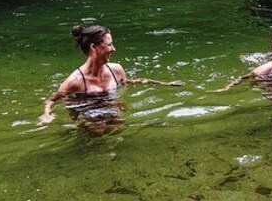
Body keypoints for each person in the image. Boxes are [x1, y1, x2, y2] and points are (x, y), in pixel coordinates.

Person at [38, 24, 181, 126]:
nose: (114, 49)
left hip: (109, 106)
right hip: (87, 111)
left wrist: (164, 84)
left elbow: (127, 82)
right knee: (97, 130)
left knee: (119, 125)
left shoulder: (116, 70)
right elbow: (51, 100)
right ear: (94, 47)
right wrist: (46, 114)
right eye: (109, 45)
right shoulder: (75, 81)